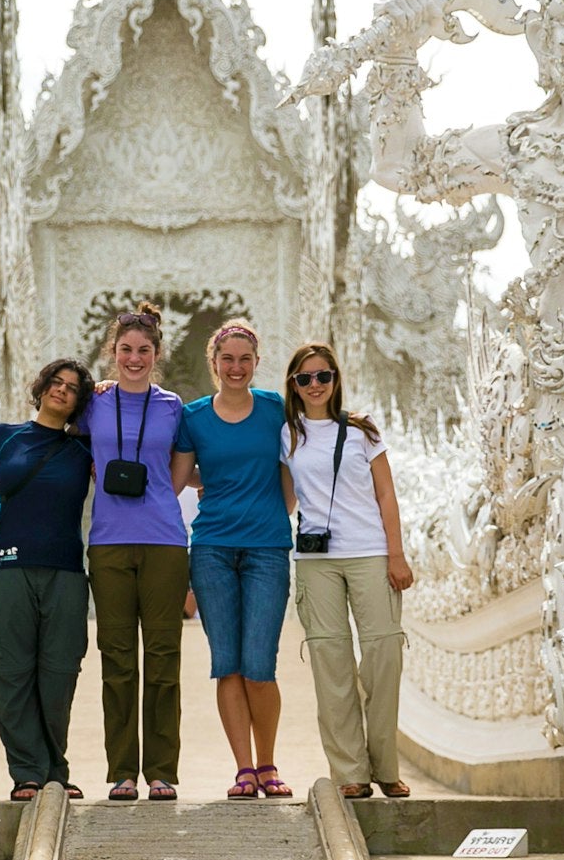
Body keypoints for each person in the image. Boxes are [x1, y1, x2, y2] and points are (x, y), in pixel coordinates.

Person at [0, 359, 95, 801]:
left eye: (72, 388)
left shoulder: (84, 449)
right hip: (4, 569)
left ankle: (56, 771)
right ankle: (28, 773)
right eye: (56, 382)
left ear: (78, 403)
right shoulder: (2, 437)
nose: (62, 391)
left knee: (59, 673)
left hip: (66, 572)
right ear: (42, 387)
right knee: (12, 674)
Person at [279, 342, 414, 800]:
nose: (314, 385)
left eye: (323, 376)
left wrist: (396, 554)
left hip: (370, 552)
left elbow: (387, 496)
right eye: (305, 378)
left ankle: (386, 765)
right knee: (330, 662)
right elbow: (284, 500)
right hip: (315, 561)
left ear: (335, 380)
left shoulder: (361, 430)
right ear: (293, 386)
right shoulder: (286, 435)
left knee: (383, 654)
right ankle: (350, 771)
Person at [171, 323, 294, 800]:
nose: (236, 367)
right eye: (228, 359)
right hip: (212, 548)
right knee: (227, 664)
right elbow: (176, 480)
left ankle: (268, 763)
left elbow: (309, 452)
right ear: (214, 361)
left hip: (267, 548)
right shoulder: (194, 417)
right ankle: (244, 769)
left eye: (245, 359)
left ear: (256, 361)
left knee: (259, 664)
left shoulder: (277, 410)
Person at [84, 303, 189, 802]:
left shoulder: (172, 406)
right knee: (118, 658)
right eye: (125, 349)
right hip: (107, 542)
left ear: (156, 354)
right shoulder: (93, 403)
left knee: (165, 657)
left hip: (165, 539)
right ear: (112, 352)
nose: (134, 358)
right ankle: (123, 770)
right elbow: (52, 435)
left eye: (143, 350)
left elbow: (182, 469)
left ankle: (162, 771)